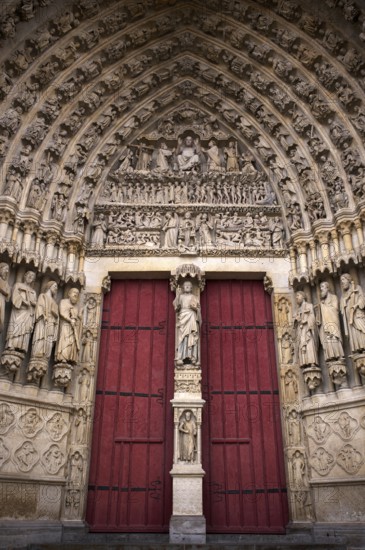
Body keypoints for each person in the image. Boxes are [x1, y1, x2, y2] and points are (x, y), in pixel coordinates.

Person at [5, 271, 37, 353]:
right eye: (29, 275)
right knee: (16, 326)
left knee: (25, 329)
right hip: (19, 311)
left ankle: (21, 346)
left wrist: (34, 304)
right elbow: (15, 296)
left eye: (33, 276)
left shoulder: (33, 291)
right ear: (25, 275)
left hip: (28, 313)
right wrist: (23, 301)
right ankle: (11, 345)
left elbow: (35, 303)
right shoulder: (18, 285)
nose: (30, 277)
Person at [173, 280, 201, 366]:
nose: (188, 287)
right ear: (183, 287)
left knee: (192, 336)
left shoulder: (194, 297)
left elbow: (198, 308)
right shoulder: (180, 297)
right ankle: (180, 357)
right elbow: (176, 307)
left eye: (189, 285)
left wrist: (195, 309)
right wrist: (178, 303)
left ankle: (193, 357)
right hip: (183, 318)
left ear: (192, 288)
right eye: (186, 285)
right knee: (182, 337)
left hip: (191, 316)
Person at [30, 281, 59, 361]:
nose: (56, 289)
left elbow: (57, 316)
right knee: (41, 337)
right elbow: (39, 307)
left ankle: (45, 356)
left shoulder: (54, 302)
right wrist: (43, 315)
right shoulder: (42, 296)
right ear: (49, 286)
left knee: (48, 339)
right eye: (55, 286)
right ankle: (37, 354)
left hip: (51, 323)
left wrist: (55, 315)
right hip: (43, 321)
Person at [317, 281, 344, 361]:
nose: (321, 289)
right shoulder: (322, 302)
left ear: (327, 288)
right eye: (320, 287)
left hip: (332, 322)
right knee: (328, 339)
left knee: (334, 337)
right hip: (326, 325)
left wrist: (323, 307)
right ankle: (330, 355)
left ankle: (339, 354)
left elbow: (335, 309)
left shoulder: (333, 297)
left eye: (322, 287)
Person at [55, 288, 82, 364]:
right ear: (69, 294)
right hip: (65, 326)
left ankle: (69, 358)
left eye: (77, 293)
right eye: (74, 292)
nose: (76, 294)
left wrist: (77, 320)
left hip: (73, 329)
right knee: (65, 342)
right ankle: (62, 358)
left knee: (70, 343)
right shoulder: (63, 302)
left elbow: (77, 318)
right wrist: (70, 320)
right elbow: (62, 313)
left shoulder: (76, 307)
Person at [340, 274, 365, 353]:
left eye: (343, 280)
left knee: (361, 330)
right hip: (349, 318)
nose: (342, 283)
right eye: (341, 281)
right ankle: (357, 350)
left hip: (357, 315)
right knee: (354, 335)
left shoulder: (357, 288)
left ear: (349, 280)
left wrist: (356, 305)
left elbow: (362, 299)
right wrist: (345, 300)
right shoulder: (344, 295)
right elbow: (341, 306)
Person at [293, 291, 319, 368]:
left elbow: (313, 318)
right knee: (302, 344)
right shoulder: (297, 310)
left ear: (303, 296)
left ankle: (312, 362)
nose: (296, 298)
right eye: (295, 296)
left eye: (298, 296)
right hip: (300, 330)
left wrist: (306, 321)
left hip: (307, 329)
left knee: (309, 344)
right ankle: (304, 362)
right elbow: (295, 322)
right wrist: (296, 320)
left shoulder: (309, 305)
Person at [0, 263, 10, 334]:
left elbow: (8, 296)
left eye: (8, 270)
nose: (7, 271)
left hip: (1, 301)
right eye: (5, 269)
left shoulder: (6, 283)